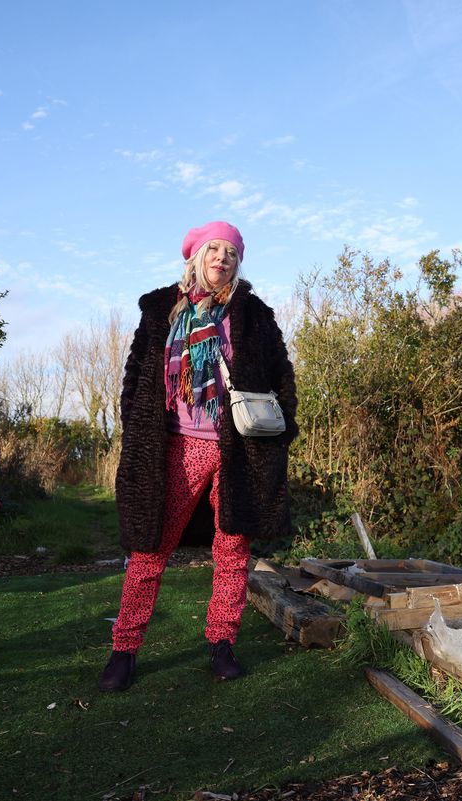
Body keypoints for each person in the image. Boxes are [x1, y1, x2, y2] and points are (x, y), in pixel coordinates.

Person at [98, 221, 298, 691]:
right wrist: (137, 429)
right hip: (176, 445)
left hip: (239, 449)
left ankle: (222, 645)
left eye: (231, 252)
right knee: (150, 550)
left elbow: (282, 376)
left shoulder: (254, 315)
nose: (222, 258)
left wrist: (282, 428)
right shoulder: (160, 309)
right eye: (214, 248)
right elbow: (135, 379)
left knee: (233, 552)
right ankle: (124, 650)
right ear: (195, 255)